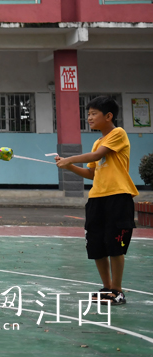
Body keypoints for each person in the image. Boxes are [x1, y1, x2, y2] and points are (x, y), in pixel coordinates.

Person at [54, 96, 137, 305]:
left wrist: (70, 158)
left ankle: (117, 290)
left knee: (115, 243)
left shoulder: (118, 134)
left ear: (108, 116)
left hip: (118, 196)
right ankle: (107, 287)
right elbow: (92, 173)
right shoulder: (98, 141)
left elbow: (95, 156)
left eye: (93, 114)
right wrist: (68, 167)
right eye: (88, 114)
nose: (88, 117)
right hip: (96, 198)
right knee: (97, 244)